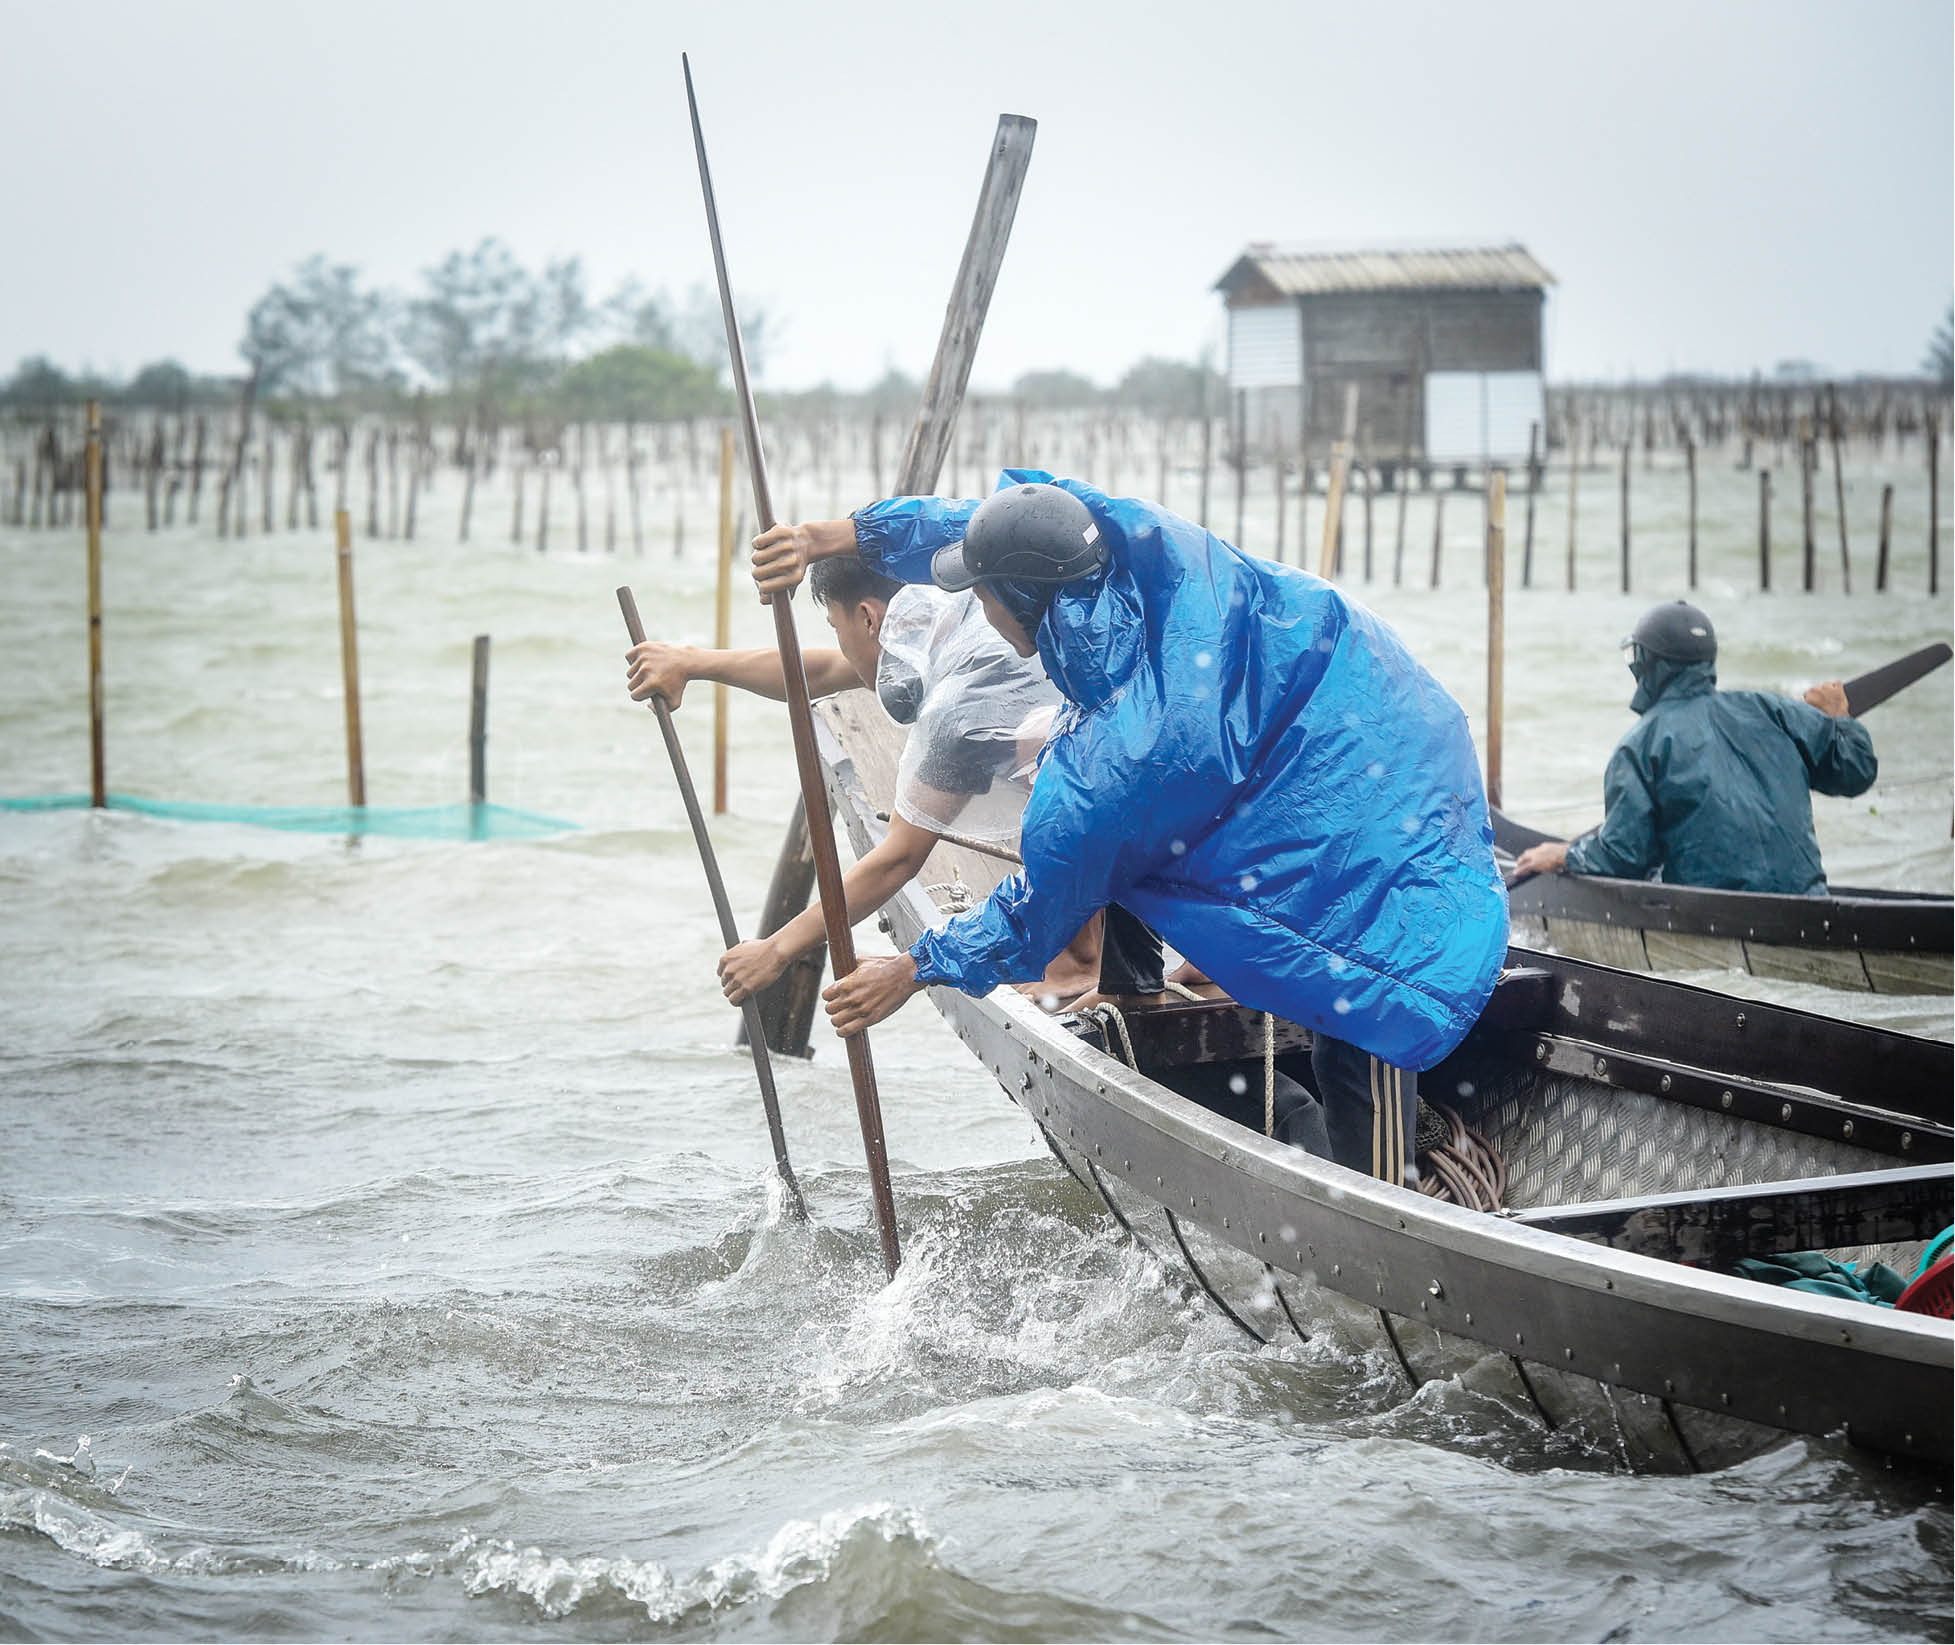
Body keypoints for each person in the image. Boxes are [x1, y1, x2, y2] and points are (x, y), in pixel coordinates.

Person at [750, 472, 1510, 1186]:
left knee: (1365, 995)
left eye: (980, 593)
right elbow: (1005, 524)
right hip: (1387, 713)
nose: (973, 606)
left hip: (1361, 806)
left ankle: (1388, 1203)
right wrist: (828, 537)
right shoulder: (1137, 548)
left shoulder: (1107, 768)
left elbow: (1030, 917)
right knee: (1314, 918)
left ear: (1017, 597)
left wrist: (914, 968)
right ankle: (1148, 994)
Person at [624, 553, 1128, 1006]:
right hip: (1151, 777)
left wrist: (775, 950)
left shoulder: (959, 711)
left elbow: (896, 861)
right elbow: (820, 672)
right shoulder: (965, 612)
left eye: (835, 626)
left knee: (1049, 757)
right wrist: (694, 663)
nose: (839, 646)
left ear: (868, 618)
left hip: (1115, 810)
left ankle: (1079, 961)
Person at [1509, 601, 1876, 894]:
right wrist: (1838, 720)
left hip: (1713, 910)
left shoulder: (1641, 745)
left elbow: (1624, 857)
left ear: (1647, 664)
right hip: (1809, 901)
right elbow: (1857, 771)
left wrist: (1564, 856)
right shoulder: (1775, 711)